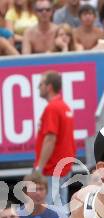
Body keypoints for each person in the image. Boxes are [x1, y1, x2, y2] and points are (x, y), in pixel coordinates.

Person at [34, 71, 76, 210]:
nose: (38, 88)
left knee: (52, 211)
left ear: (49, 87)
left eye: (40, 84)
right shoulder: (64, 106)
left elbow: (50, 139)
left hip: (53, 168)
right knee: (60, 209)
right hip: (62, 167)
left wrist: (39, 168)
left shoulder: (52, 108)